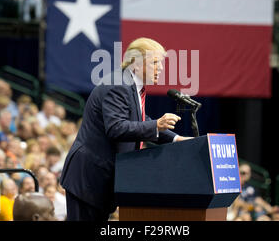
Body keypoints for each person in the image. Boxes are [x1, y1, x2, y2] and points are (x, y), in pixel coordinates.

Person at [60, 37, 191, 221]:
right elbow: (116, 128)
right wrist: (155, 126)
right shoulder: (118, 85)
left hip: (98, 181)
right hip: (89, 179)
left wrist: (176, 139)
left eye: (161, 63)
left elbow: (141, 120)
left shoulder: (130, 84)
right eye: (155, 62)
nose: (160, 68)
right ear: (136, 64)